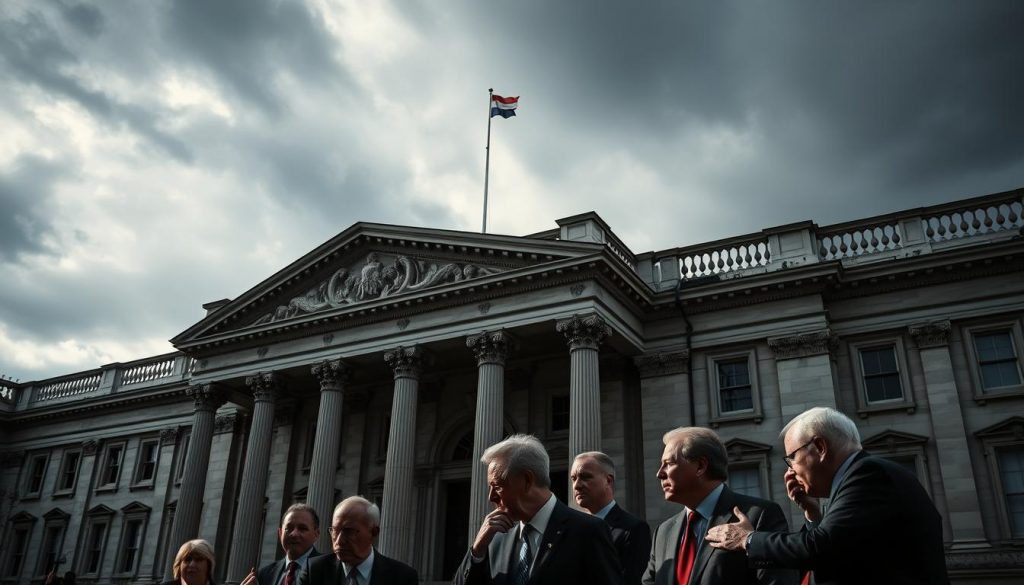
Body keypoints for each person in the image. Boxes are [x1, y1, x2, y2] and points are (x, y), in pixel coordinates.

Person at [705, 407, 950, 585]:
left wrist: (747, 540)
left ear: (820, 448)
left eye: (791, 458)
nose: (790, 471)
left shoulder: (868, 473)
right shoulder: (863, 475)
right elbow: (839, 547)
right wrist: (812, 513)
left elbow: (820, 548)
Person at [453, 434, 623, 585]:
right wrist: (477, 551)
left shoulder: (588, 531)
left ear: (527, 480)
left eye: (497, 486)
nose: (491, 497)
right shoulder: (494, 539)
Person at [643, 427, 797, 585]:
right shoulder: (663, 532)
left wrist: (751, 541)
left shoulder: (759, 516)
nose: (659, 473)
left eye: (668, 464)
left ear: (700, 466)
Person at [571, 451, 651, 585]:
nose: (577, 485)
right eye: (573, 478)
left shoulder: (634, 529)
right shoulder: (571, 531)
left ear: (608, 480)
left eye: (585, 477)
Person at [300, 496, 417, 585]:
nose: (339, 541)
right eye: (335, 531)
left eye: (349, 531)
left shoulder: (403, 577)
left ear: (374, 532)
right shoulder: (314, 570)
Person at [241, 503, 322, 585]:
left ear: (316, 534)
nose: (294, 534)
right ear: (280, 533)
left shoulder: (329, 571)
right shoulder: (264, 574)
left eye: (302, 528)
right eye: (288, 529)